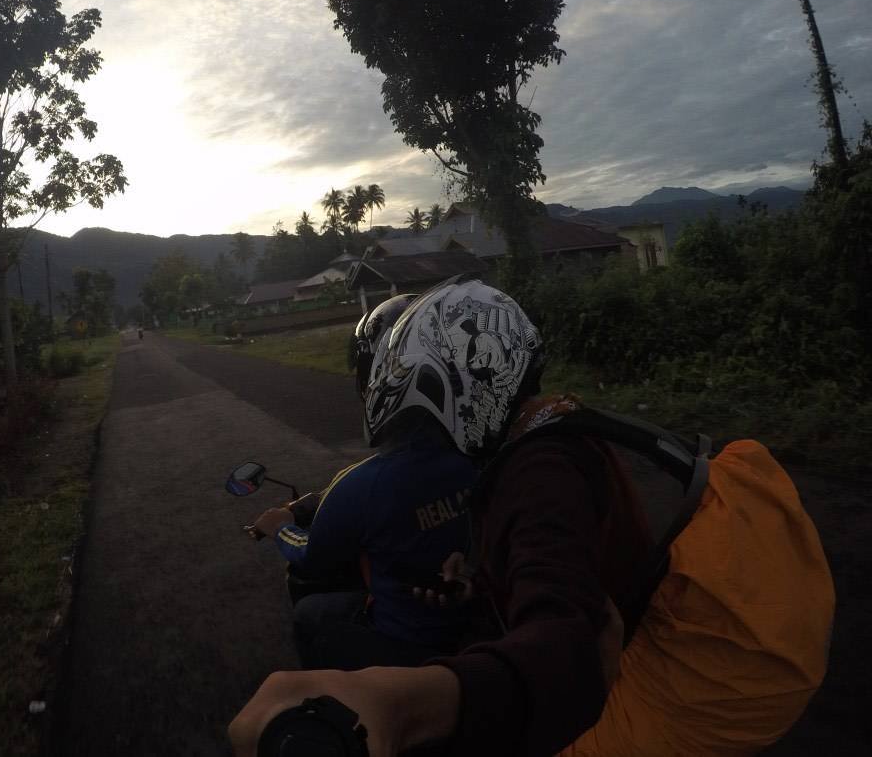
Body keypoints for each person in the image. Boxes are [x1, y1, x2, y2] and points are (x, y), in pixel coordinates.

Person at [230, 275, 832, 756]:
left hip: (657, 695)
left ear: (457, 387)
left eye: (423, 415)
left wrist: (401, 703)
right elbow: (565, 561)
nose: (427, 439)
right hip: (663, 631)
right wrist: (482, 579)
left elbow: (566, 647)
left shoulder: (540, 471)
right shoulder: (560, 426)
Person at [249, 294, 489, 670]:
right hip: (480, 624)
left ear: (377, 379)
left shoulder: (363, 485)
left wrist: (280, 527)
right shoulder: (484, 454)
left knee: (309, 614)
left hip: (405, 641)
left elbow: (312, 557)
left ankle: (328, 698)